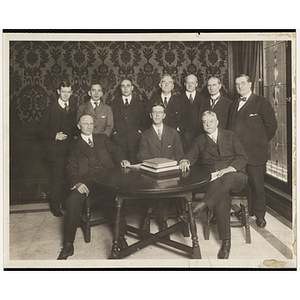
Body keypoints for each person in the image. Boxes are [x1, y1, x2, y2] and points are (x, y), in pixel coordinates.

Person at [57, 114, 131, 260]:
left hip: (108, 176)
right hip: (88, 181)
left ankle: (120, 236)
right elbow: (71, 167)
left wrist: (122, 159)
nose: (89, 126)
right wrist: (77, 183)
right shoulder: (73, 145)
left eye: (91, 123)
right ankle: (68, 244)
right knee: (72, 200)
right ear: (79, 126)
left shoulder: (102, 138)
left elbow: (116, 150)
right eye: (86, 123)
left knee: (119, 196)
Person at [179, 110, 248, 259]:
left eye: (211, 121)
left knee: (228, 179)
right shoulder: (199, 140)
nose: (208, 124)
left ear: (217, 122)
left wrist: (231, 168)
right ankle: (226, 243)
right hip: (214, 180)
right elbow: (191, 155)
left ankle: (200, 207)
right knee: (222, 199)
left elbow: (243, 157)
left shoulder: (231, 135)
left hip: (236, 176)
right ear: (202, 124)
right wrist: (185, 160)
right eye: (205, 121)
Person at [228, 74, 277, 228]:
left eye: (243, 83)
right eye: (237, 84)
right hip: (238, 155)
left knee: (257, 185)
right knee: (243, 184)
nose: (240, 87)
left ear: (250, 84)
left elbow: (271, 126)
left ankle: (260, 215)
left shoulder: (261, 102)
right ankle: (246, 211)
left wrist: (260, 143)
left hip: (256, 153)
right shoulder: (233, 104)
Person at [137, 102, 184, 231]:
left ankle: (149, 214)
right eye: (154, 112)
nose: (157, 115)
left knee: (165, 185)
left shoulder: (173, 132)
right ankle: (162, 221)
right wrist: (157, 163)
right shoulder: (145, 134)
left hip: (170, 173)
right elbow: (141, 155)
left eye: (160, 112)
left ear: (164, 115)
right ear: (151, 115)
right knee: (158, 185)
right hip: (152, 173)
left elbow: (180, 154)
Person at [39, 80, 77, 217]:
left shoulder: (73, 108)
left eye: (68, 92)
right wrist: (55, 135)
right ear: (58, 92)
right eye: (63, 92)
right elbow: (40, 130)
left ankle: (67, 204)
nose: (66, 95)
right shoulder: (50, 109)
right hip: (56, 150)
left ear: (71, 93)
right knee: (57, 179)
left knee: (69, 177)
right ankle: (55, 207)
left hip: (70, 150)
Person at [109, 78, 147, 164]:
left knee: (135, 170)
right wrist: (115, 133)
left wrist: (139, 132)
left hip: (135, 142)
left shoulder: (140, 104)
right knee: (120, 169)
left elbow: (145, 121)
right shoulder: (113, 104)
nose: (125, 88)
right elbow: (110, 122)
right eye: (123, 86)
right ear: (120, 88)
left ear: (132, 88)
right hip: (118, 142)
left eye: (128, 86)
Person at [146, 74, 188, 148]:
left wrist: (178, 130)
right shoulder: (152, 101)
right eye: (164, 82)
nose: (166, 84)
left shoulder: (180, 101)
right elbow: (146, 119)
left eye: (169, 82)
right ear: (160, 85)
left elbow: (186, 118)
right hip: (157, 138)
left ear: (172, 86)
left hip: (175, 138)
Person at [180, 74, 205, 152]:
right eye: (188, 83)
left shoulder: (203, 99)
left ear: (196, 84)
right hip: (183, 137)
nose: (190, 85)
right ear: (184, 84)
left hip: (200, 135)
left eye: (192, 83)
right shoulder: (177, 99)